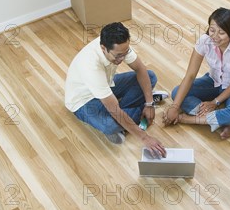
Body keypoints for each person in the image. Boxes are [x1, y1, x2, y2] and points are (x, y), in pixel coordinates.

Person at [65, 22, 166, 158]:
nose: (122, 59)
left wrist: (149, 103)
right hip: (84, 101)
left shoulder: (119, 46)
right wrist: (144, 137)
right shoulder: (91, 66)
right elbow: (114, 109)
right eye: (118, 56)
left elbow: (140, 68)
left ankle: (136, 111)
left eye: (126, 53)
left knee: (150, 76)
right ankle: (132, 114)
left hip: (107, 84)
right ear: (103, 48)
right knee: (110, 126)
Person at [164, 8, 230, 139]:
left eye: (221, 32)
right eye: (212, 30)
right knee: (177, 93)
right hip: (214, 81)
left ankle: (189, 119)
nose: (215, 36)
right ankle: (222, 121)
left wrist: (214, 102)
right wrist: (174, 107)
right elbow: (190, 75)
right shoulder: (204, 41)